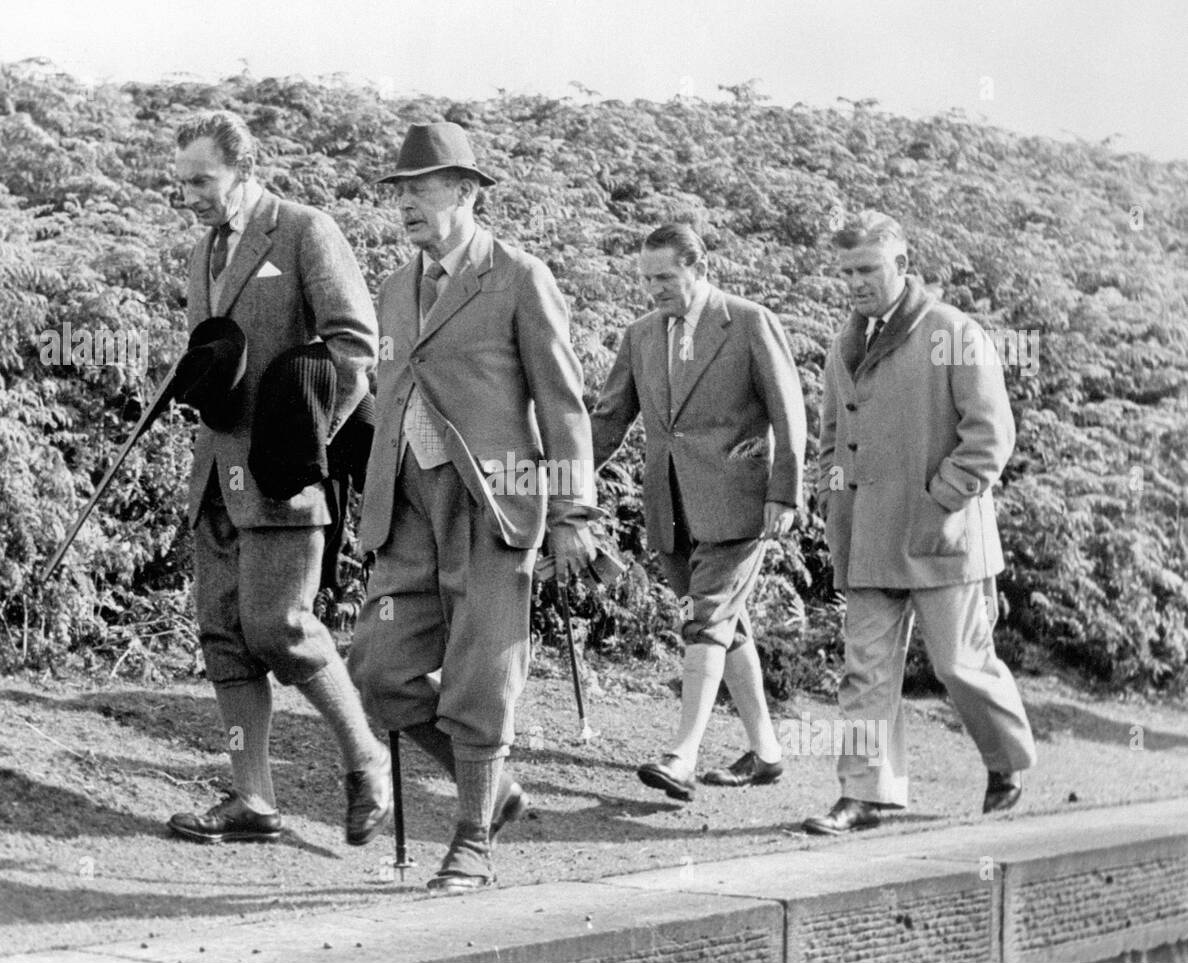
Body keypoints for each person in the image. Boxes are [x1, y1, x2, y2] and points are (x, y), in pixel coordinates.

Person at [348, 122, 600, 892]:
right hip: (409, 505)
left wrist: (572, 513)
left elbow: (563, 405)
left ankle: (470, 845)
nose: (406, 207)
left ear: (464, 191)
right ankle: (499, 793)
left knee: (481, 679)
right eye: (399, 194)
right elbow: (389, 393)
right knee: (379, 670)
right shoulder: (394, 287)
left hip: (498, 505)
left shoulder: (519, 277)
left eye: (420, 190)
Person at [166, 110, 392, 847]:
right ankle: (252, 799)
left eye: (203, 179)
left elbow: (355, 344)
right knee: (224, 640)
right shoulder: (203, 251)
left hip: (283, 477)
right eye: (183, 182)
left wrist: (307, 441)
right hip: (214, 476)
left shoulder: (303, 230)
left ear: (244, 166)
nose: (191, 194)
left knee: (280, 629)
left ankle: (367, 757)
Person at [805, 210, 1036, 835]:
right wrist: (834, 500)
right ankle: (865, 793)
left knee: (960, 665)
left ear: (902, 266)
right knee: (864, 672)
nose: (854, 282)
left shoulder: (954, 332)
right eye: (846, 271)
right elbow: (830, 440)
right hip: (867, 538)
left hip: (943, 536)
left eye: (867, 269)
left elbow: (990, 436)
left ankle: (1008, 762)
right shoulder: (843, 341)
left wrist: (943, 499)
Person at [591, 223, 807, 800]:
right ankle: (766, 753)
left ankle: (682, 755)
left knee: (707, 619)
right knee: (724, 624)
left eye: (665, 276)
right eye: (646, 279)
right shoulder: (639, 335)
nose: (653, 289)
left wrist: (784, 492)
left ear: (699, 268)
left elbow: (790, 415)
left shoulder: (749, 321)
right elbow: (608, 420)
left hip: (739, 506)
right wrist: (555, 478)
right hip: (670, 509)